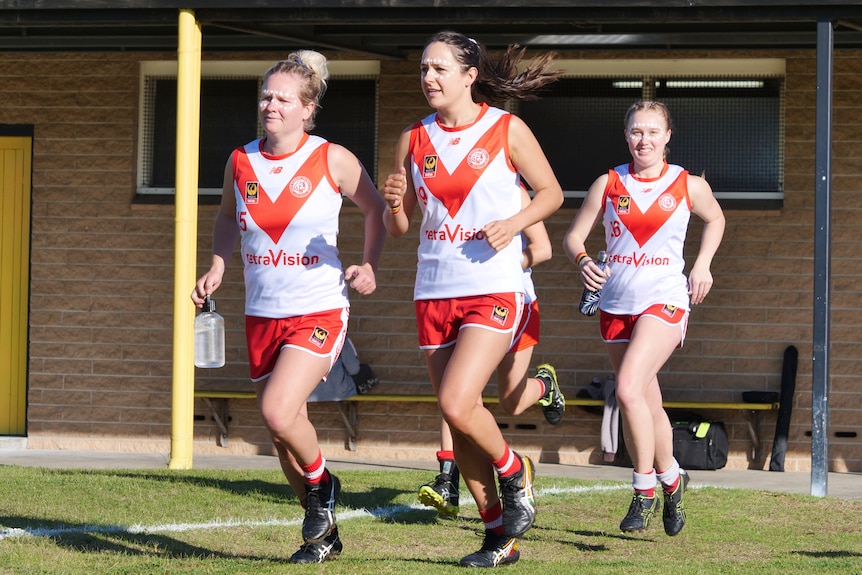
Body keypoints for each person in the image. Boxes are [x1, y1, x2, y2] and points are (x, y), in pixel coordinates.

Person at [191, 50, 386, 564]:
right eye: (266, 95)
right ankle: (322, 537)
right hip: (261, 313)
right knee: (283, 435)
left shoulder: (331, 158)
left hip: (319, 308)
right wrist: (217, 265)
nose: (270, 104)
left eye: (282, 98)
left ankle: (324, 483)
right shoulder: (241, 160)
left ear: (307, 109)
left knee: (276, 411)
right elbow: (227, 219)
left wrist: (368, 265)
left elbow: (375, 211)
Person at [382, 31, 564, 568]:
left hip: (494, 286)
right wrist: (394, 203)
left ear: (469, 75)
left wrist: (514, 223)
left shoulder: (506, 128)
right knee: (459, 420)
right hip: (433, 289)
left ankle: (515, 472)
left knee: (458, 402)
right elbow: (400, 228)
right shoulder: (412, 138)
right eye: (422, 69)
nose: (428, 78)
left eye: (439, 68)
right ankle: (496, 536)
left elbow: (551, 193)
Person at [563, 100, 725, 537]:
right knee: (647, 405)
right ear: (626, 136)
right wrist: (581, 259)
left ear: (668, 136)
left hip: (666, 301)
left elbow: (716, 219)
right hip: (615, 303)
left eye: (653, 131)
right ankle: (673, 480)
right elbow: (574, 234)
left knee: (629, 388)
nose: (644, 140)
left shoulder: (687, 184)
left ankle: (644, 489)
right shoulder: (608, 182)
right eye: (637, 131)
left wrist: (703, 264)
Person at [418, 192, 564, 519]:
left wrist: (497, 263)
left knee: (510, 401)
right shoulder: (445, 188)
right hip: (454, 297)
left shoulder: (511, 188)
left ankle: (543, 385)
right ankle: (448, 477)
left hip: (512, 299)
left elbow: (543, 249)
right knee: (457, 396)